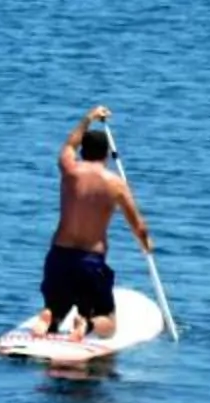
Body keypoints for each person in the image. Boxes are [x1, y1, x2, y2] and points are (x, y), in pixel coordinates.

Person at [27, 105, 154, 342]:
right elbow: (139, 226)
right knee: (108, 321)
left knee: (56, 307)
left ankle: (49, 316)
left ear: (83, 152)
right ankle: (86, 324)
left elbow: (68, 145)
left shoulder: (69, 170)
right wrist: (146, 243)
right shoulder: (116, 185)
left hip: (58, 256)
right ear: (106, 155)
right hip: (89, 262)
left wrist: (89, 118)